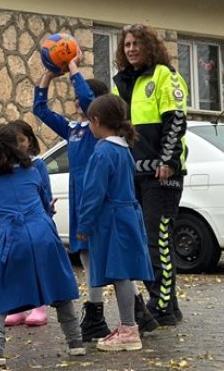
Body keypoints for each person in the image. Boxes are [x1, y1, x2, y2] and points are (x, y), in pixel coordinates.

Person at [32, 53, 157, 338]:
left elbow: (89, 101)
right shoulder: (75, 130)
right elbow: (40, 110)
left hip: (99, 203)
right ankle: (134, 314)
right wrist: (48, 77)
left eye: (82, 99)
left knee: (109, 262)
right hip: (83, 201)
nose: (77, 104)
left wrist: (73, 69)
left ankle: (106, 314)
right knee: (95, 260)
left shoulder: (98, 134)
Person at [0, 124, 85, 366]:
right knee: (59, 286)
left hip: (12, 239)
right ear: (17, 148)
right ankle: (76, 342)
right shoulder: (33, 172)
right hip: (44, 234)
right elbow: (45, 204)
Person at [112, 24, 188, 326]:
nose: (131, 49)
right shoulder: (122, 83)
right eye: (127, 44)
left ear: (149, 46)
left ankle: (162, 307)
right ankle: (170, 307)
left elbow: (175, 120)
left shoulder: (164, 76)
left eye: (136, 43)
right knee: (143, 242)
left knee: (159, 240)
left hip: (162, 174)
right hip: (134, 173)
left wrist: (167, 159)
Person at [77, 95, 154, 351]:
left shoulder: (103, 152)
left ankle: (129, 330)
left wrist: (84, 226)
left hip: (113, 221)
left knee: (121, 274)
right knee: (124, 274)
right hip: (127, 216)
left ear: (96, 121)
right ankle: (127, 327)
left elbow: (93, 192)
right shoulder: (123, 149)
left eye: (90, 121)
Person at [2, 120, 54, 327]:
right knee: (17, 265)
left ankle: (39, 306)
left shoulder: (37, 165)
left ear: (30, 141)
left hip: (36, 223)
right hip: (15, 226)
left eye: (21, 140)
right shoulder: (6, 168)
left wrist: (48, 211)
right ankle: (19, 307)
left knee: (37, 264)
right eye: (13, 142)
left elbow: (45, 194)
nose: (18, 145)